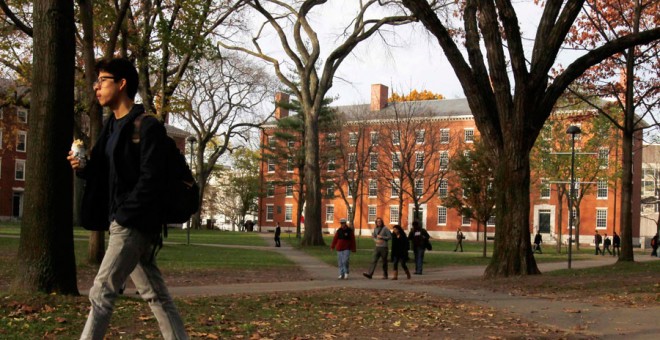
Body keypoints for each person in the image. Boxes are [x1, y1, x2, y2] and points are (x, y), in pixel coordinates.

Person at [68, 58, 188, 340]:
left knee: (102, 290)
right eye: (96, 81)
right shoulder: (111, 127)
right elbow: (100, 171)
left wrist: (124, 216)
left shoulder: (147, 127)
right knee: (154, 294)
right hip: (121, 221)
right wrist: (82, 166)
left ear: (122, 84)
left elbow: (151, 180)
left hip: (132, 222)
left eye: (103, 80)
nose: (97, 87)